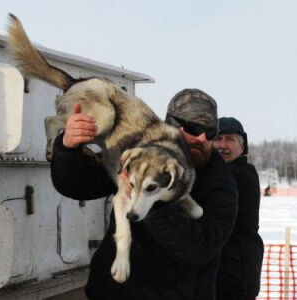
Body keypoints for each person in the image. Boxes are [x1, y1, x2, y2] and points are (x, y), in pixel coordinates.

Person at [50, 89, 238, 300]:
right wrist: (68, 148)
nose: (202, 138)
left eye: (210, 132)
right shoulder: (138, 156)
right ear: (171, 127)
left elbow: (199, 249)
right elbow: (77, 185)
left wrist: (153, 197)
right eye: (194, 128)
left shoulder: (220, 184)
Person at [213, 117, 264, 300]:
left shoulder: (241, 174)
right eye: (218, 139)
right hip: (225, 272)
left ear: (242, 147)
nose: (222, 145)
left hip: (236, 275)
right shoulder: (219, 173)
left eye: (230, 139)